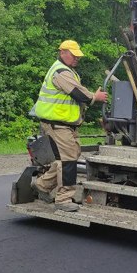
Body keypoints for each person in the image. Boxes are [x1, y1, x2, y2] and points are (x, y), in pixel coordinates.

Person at [32, 39, 108, 212]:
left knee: (69, 156)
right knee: (68, 161)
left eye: (78, 56)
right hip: (57, 125)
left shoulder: (67, 71)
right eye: (73, 55)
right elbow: (77, 93)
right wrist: (95, 97)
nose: (76, 59)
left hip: (62, 125)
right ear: (62, 52)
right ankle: (64, 199)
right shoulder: (61, 72)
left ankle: (42, 185)